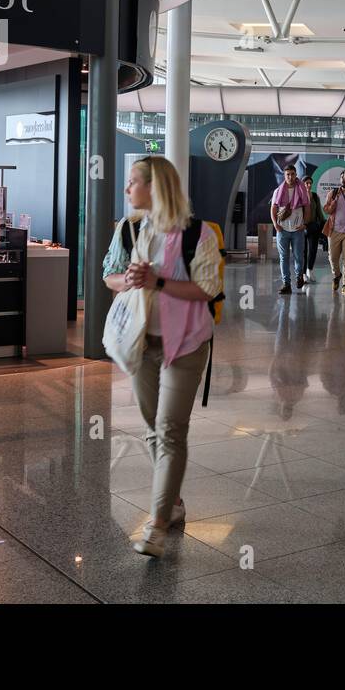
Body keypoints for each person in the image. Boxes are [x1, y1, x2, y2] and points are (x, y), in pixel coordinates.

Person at [102, 157, 221, 557]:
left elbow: (207, 289)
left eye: (133, 181)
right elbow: (109, 275)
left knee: (170, 430)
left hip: (185, 344)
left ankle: (155, 523)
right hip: (142, 343)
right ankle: (173, 503)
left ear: (155, 187)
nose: (126, 188)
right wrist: (129, 280)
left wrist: (160, 282)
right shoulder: (129, 228)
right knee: (153, 428)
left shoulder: (196, 234)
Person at [270, 165, 309, 295]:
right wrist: (275, 224)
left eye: (292, 174)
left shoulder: (302, 189)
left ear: (296, 174)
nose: (290, 177)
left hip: (298, 229)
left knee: (299, 256)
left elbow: (307, 207)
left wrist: (305, 223)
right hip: (282, 230)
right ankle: (286, 283)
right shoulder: (278, 191)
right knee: (283, 257)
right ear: (284, 175)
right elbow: (273, 209)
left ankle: (299, 277)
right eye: (288, 174)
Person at [302, 176, 326, 284]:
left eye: (310, 183)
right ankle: (303, 274)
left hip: (313, 227)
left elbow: (319, 213)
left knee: (313, 250)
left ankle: (309, 270)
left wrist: (324, 223)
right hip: (301, 228)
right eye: (306, 183)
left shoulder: (315, 196)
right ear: (303, 184)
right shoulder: (299, 196)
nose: (308, 185)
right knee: (303, 252)